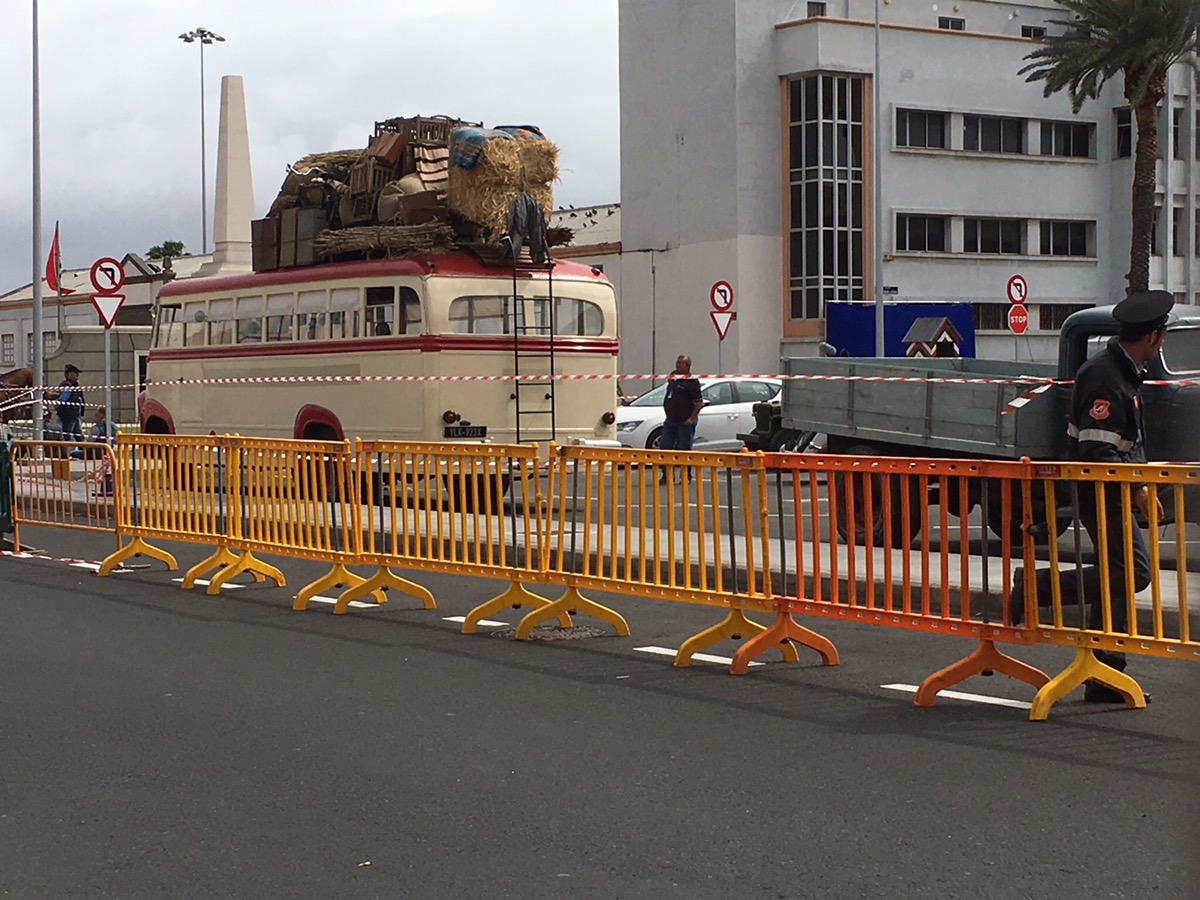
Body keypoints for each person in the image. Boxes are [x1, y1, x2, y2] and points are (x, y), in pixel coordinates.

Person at [1013, 290, 1173, 703]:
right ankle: (1036, 586)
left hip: (1112, 490)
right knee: (1133, 573)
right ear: (1153, 336)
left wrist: (1137, 486)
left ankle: (1105, 673)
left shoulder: (1123, 370)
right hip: (1101, 492)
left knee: (1114, 574)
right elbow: (1097, 448)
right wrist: (1136, 488)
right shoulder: (1106, 375)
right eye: (1163, 335)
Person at [659, 354, 703, 483]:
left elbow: (698, 403)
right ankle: (667, 475)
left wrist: (691, 418)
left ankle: (686, 476)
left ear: (687, 366)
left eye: (680, 363)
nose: (677, 365)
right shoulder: (673, 378)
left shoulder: (691, 382)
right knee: (665, 447)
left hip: (685, 421)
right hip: (671, 420)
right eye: (677, 362)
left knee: (684, 449)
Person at [52, 364, 85, 445]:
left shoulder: (75, 386)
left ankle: (84, 450)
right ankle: (67, 451)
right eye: (76, 373)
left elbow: (80, 400)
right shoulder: (67, 386)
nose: (77, 376)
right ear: (70, 374)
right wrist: (58, 408)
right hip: (68, 415)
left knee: (77, 436)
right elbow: (63, 399)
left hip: (74, 415)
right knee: (67, 435)